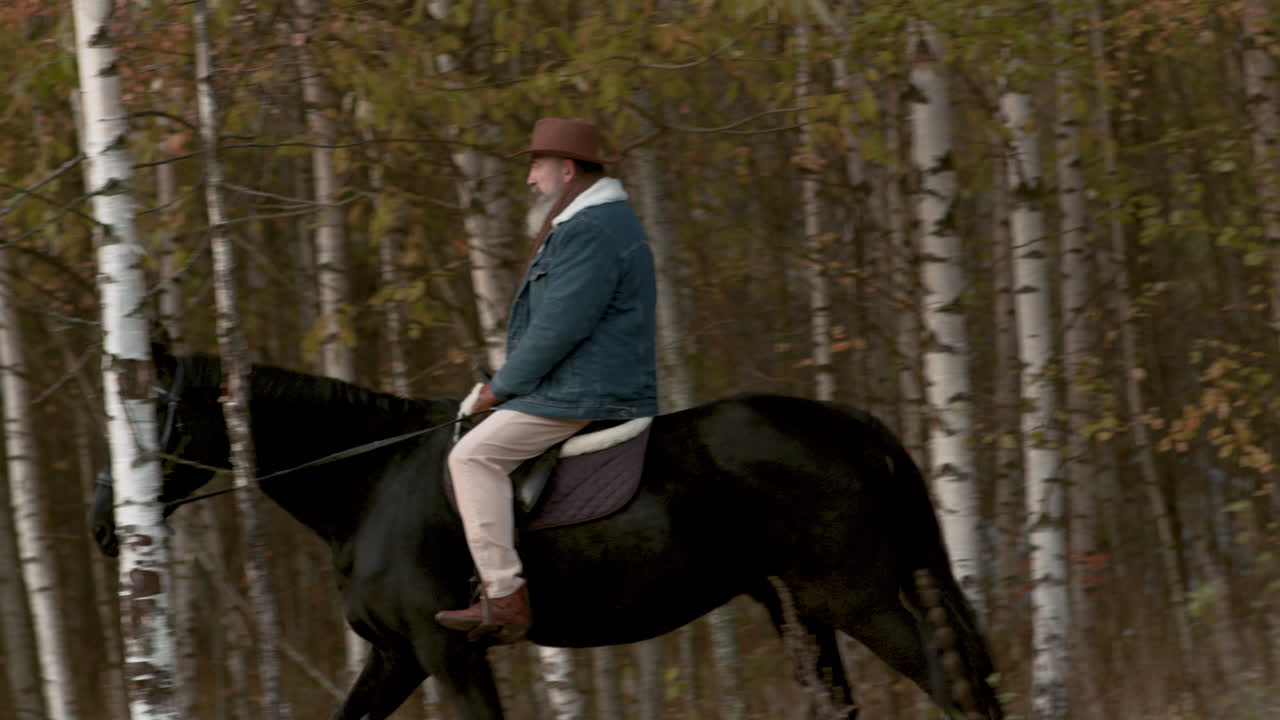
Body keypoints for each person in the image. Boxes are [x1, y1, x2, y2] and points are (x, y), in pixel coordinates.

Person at [435, 117, 658, 643]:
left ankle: (504, 595)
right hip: (576, 381)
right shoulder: (591, 224)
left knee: (472, 456)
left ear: (566, 168)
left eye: (537, 165)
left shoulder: (593, 230)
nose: (531, 178)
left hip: (583, 389)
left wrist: (497, 390)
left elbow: (558, 329)